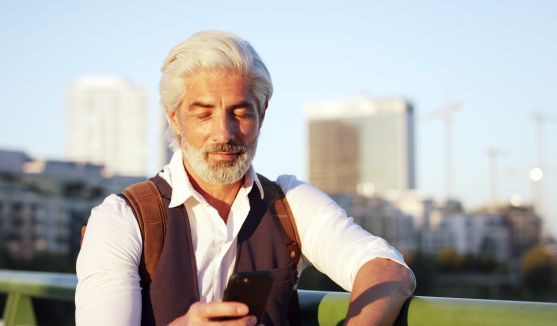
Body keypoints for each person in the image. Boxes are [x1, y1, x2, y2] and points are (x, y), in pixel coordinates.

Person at [75, 30, 415, 326]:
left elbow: (388, 270)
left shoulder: (290, 203)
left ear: (262, 114)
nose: (223, 133)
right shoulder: (120, 219)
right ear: (175, 119)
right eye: (203, 113)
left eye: (240, 112)